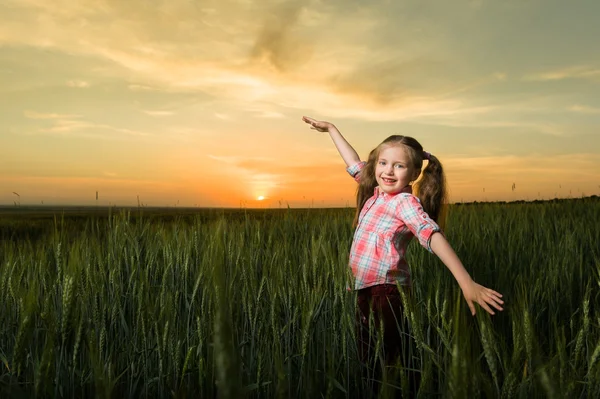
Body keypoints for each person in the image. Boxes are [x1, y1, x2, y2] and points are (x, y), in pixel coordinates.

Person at [302, 115, 504, 394]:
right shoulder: (375, 192)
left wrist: (466, 282)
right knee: (369, 358)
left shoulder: (405, 203)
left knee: (386, 360)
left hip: (386, 293)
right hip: (363, 289)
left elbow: (431, 234)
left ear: (414, 174)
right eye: (383, 163)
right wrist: (332, 130)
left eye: (399, 166)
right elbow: (354, 164)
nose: (388, 171)